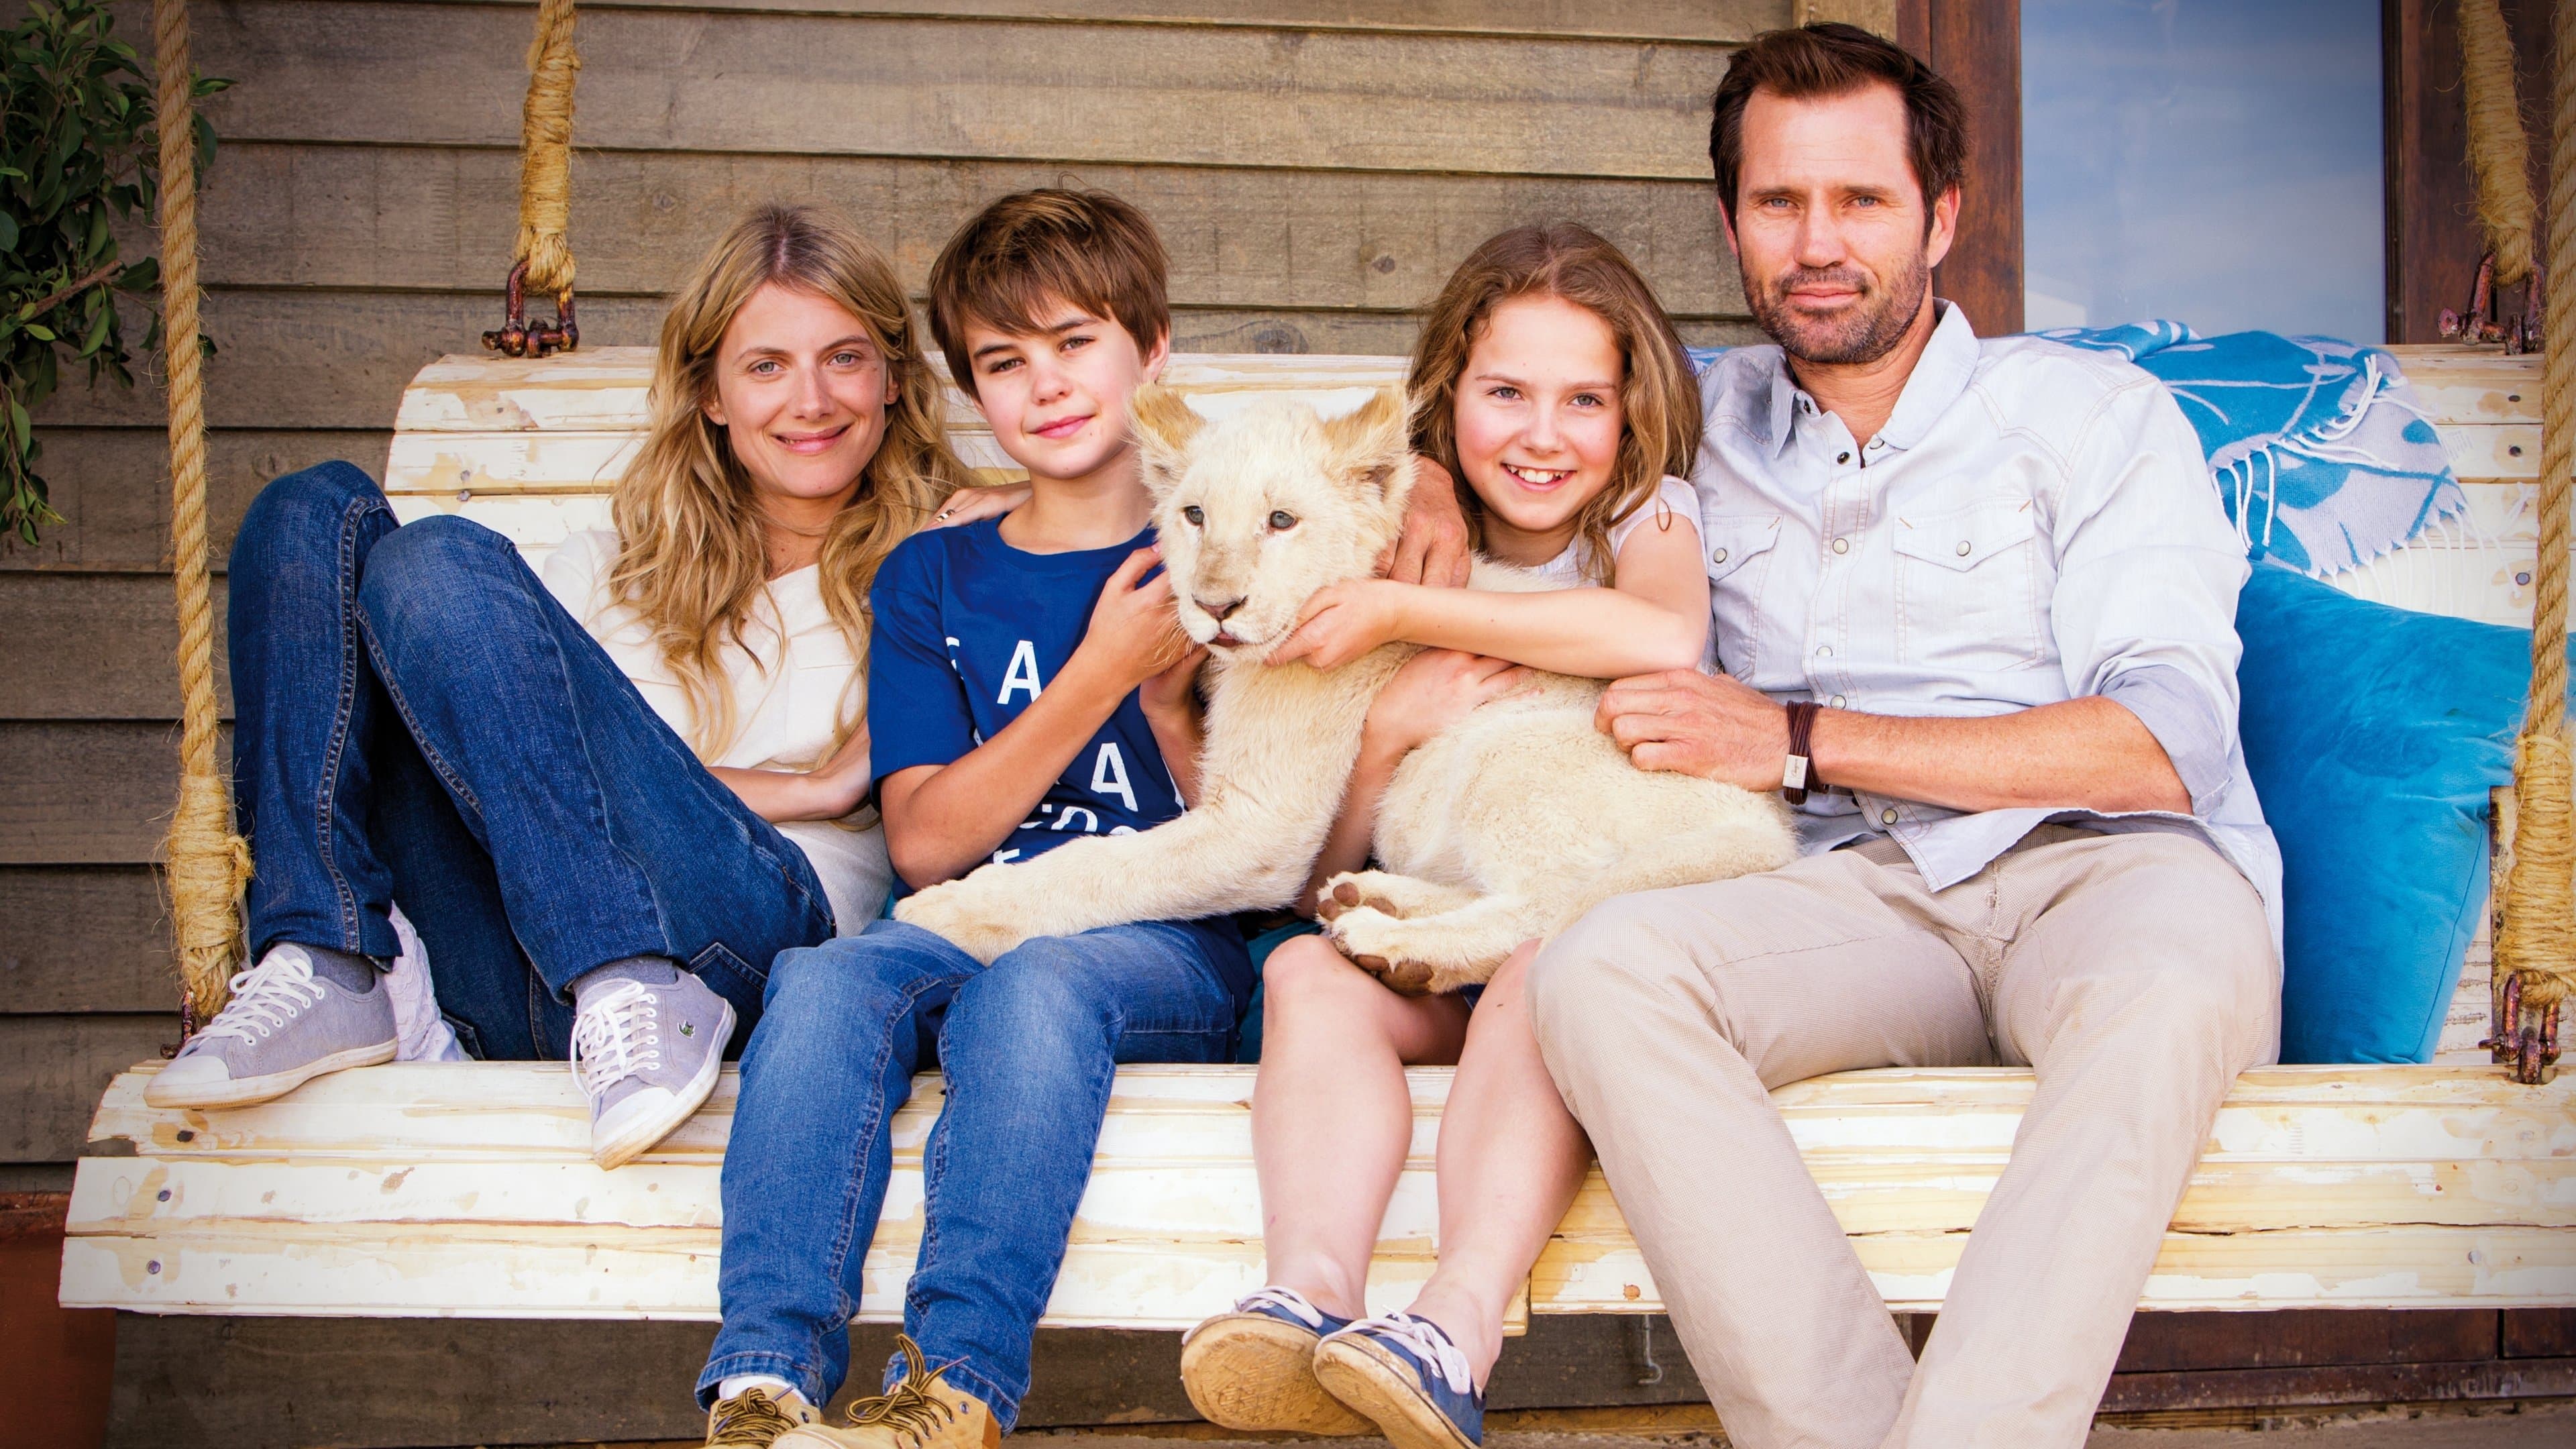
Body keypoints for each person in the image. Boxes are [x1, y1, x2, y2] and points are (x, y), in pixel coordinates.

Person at [1513, 23, 2282, 1449]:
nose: (1817, 242)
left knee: (2166, 991)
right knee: (1609, 969)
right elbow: (1496, 433)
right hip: (1848, 900)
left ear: (1942, 215)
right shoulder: (1679, 420)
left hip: (2111, 874)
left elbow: (2163, 744)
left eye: (1860, 201)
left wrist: (1798, 735)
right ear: (1731, 219)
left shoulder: (2091, 418)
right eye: (1778, 202)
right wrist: (1435, 504)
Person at [154, 204, 961, 1170]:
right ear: (710, 392)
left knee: (436, 561)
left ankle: (628, 971)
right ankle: (328, 954)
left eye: (844, 358)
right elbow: (524, 765)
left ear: (893, 380)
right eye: (765, 365)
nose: (811, 399)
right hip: (539, 975)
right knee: (310, 510)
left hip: (747, 955)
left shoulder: (943, 565)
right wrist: (813, 788)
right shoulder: (603, 567)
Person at [692, 189, 1237, 1449]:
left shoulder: (1213, 549)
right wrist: (1099, 672)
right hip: (961, 910)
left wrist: (1162, 707)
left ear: (1150, 353)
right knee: (824, 981)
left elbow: (1253, 839)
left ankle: (953, 1393)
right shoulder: (933, 575)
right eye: (1004, 361)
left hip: (1156, 940)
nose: (1044, 385)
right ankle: (765, 1382)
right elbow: (929, 844)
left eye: (1076, 343)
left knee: (1036, 985)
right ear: (970, 390)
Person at [1174, 223, 1713, 1449]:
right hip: (1425, 930)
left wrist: (1400, 614)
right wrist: (1383, 733)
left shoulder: (1643, 518)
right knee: (1310, 966)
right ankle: (1307, 1294)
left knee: (1546, 967)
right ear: (1447, 397)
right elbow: (1315, 877)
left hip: (1565, 934)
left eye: (1585, 398)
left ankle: (1452, 1330)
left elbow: (1661, 639)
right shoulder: (1385, 515)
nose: (1541, 433)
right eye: (1505, 392)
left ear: (1633, 416)